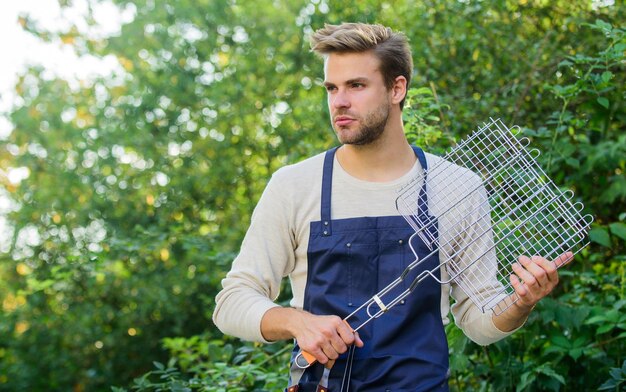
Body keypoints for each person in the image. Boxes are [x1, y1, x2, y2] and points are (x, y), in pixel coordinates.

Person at [213, 22, 571, 391]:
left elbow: (478, 321)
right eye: (331, 88)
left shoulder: (459, 187)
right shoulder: (294, 185)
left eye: (356, 85)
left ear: (397, 88)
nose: (339, 101)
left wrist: (521, 302)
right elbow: (231, 302)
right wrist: (296, 322)